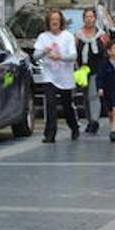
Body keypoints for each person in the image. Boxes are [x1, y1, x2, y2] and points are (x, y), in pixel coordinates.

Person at [33, 9, 80, 142]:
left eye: (57, 20)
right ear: (48, 22)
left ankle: (74, 126)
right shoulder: (43, 37)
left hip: (65, 77)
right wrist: (44, 51)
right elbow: (35, 56)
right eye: (52, 20)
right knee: (50, 104)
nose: (55, 22)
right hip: (49, 76)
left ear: (61, 22)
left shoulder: (67, 36)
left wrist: (60, 57)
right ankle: (50, 134)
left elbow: (73, 55)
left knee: (67, 105)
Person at [75, 8, 110, 135]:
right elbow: (75, 53)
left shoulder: (101, 35)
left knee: (93, 95)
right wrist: (76, 67)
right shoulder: (78, 35)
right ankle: (90, 120)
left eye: (91, 17)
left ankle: (95, 121)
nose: (89, 19)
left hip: (97, 69)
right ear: (83, 19)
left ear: (95, 18)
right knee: (86, 97)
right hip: (83, 70)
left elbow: (106, 52)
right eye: (87, 17)